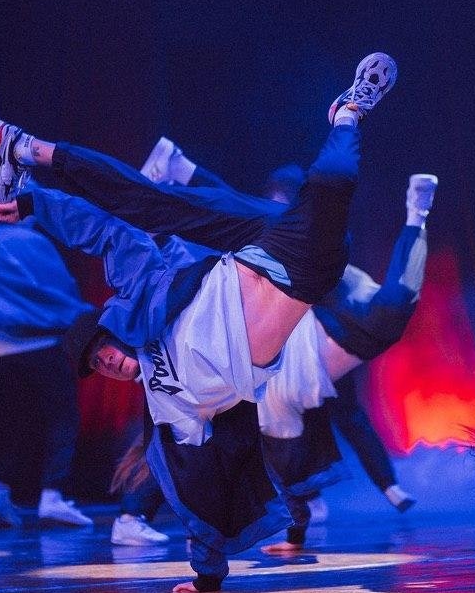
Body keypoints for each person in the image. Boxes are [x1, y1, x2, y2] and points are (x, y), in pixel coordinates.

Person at [0, 52, 396, 593]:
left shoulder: (143, 300)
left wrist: (38, 204)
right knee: (332, 196)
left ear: (112, 335)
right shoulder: (167, 406)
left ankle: (30, 150)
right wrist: (207, 575)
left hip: (246, 255)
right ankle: (342, 118)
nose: (111, 365)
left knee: (150, 205)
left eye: (104, 353)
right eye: (102, 369)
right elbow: (194, 480)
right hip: (303, 270)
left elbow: (107, 233)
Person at [140, 149, 433, 525]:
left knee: (373, 318)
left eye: (283, 202)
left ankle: (180, 167)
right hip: (318, 331)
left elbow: (230, 206)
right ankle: (417, 218)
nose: (275, 207)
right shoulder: (273, 419)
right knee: (392, 309)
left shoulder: (294, 232)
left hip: (322, 306)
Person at [0, 220, 96, 528]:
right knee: (62, 418)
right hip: (40, 343)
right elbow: (56, 291)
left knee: (20, 423)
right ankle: (53, 495)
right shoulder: (36, 241)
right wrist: (81, 316)